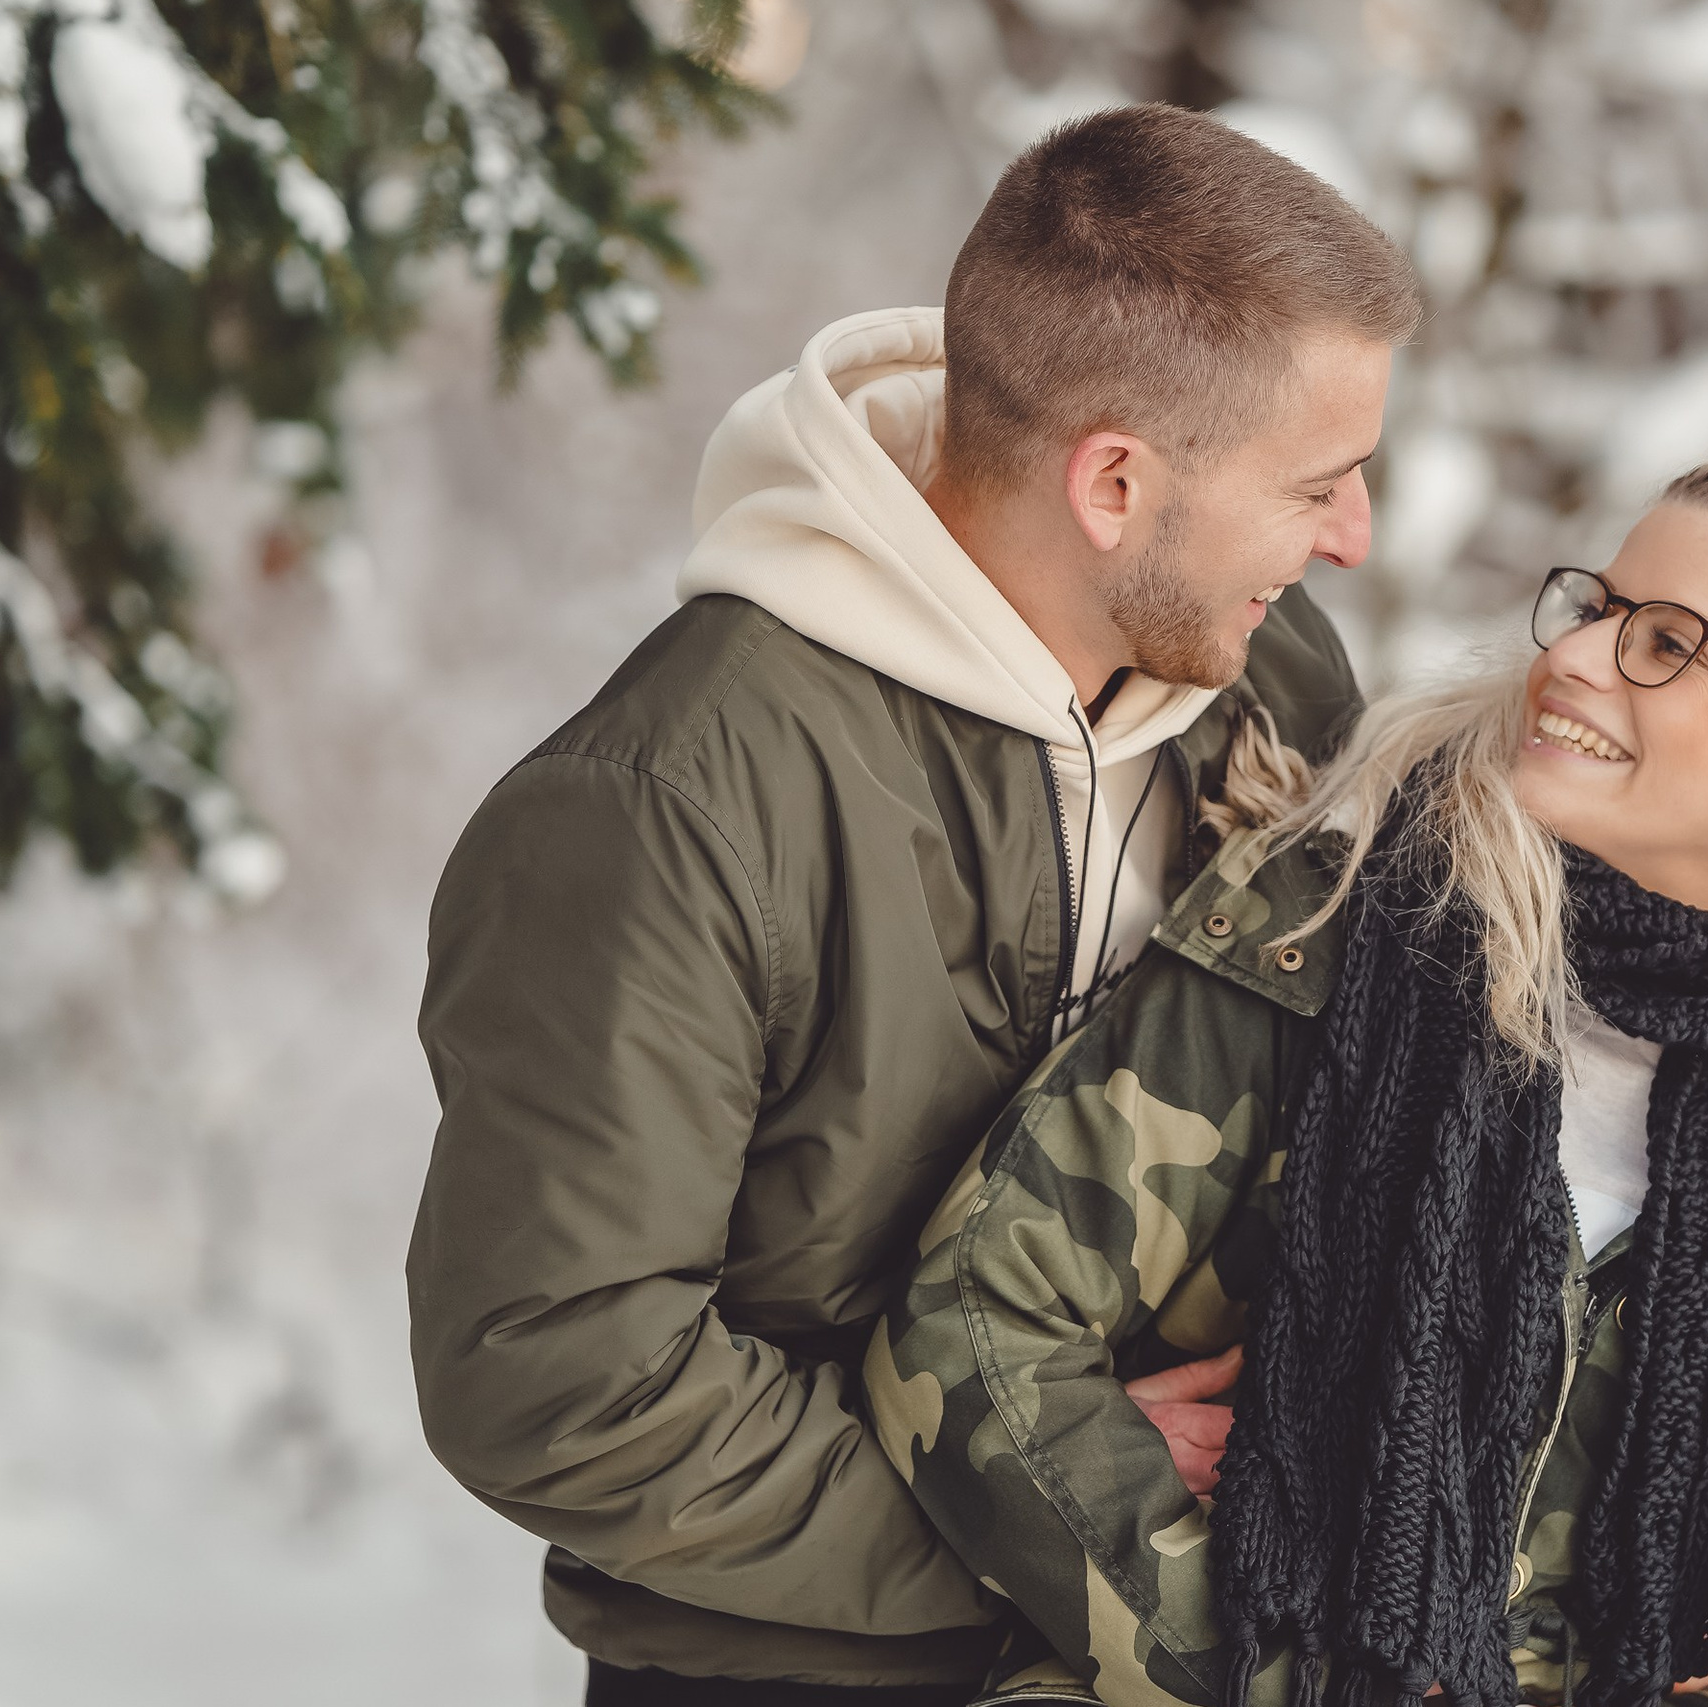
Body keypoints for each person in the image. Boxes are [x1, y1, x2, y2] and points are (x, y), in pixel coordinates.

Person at [407, 104, 1421, 1705]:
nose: (1354, 537)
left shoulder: (1269, 681)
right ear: (1113, 482)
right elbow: (560, 1379)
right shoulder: (665, 804)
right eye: (1321, 480)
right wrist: (1054, 1500)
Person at [869, 451, 1708, 1707]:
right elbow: (975, 1322)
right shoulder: (1333, 930)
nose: (1573, 658)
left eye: (1669, 643)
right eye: (1595, 608)